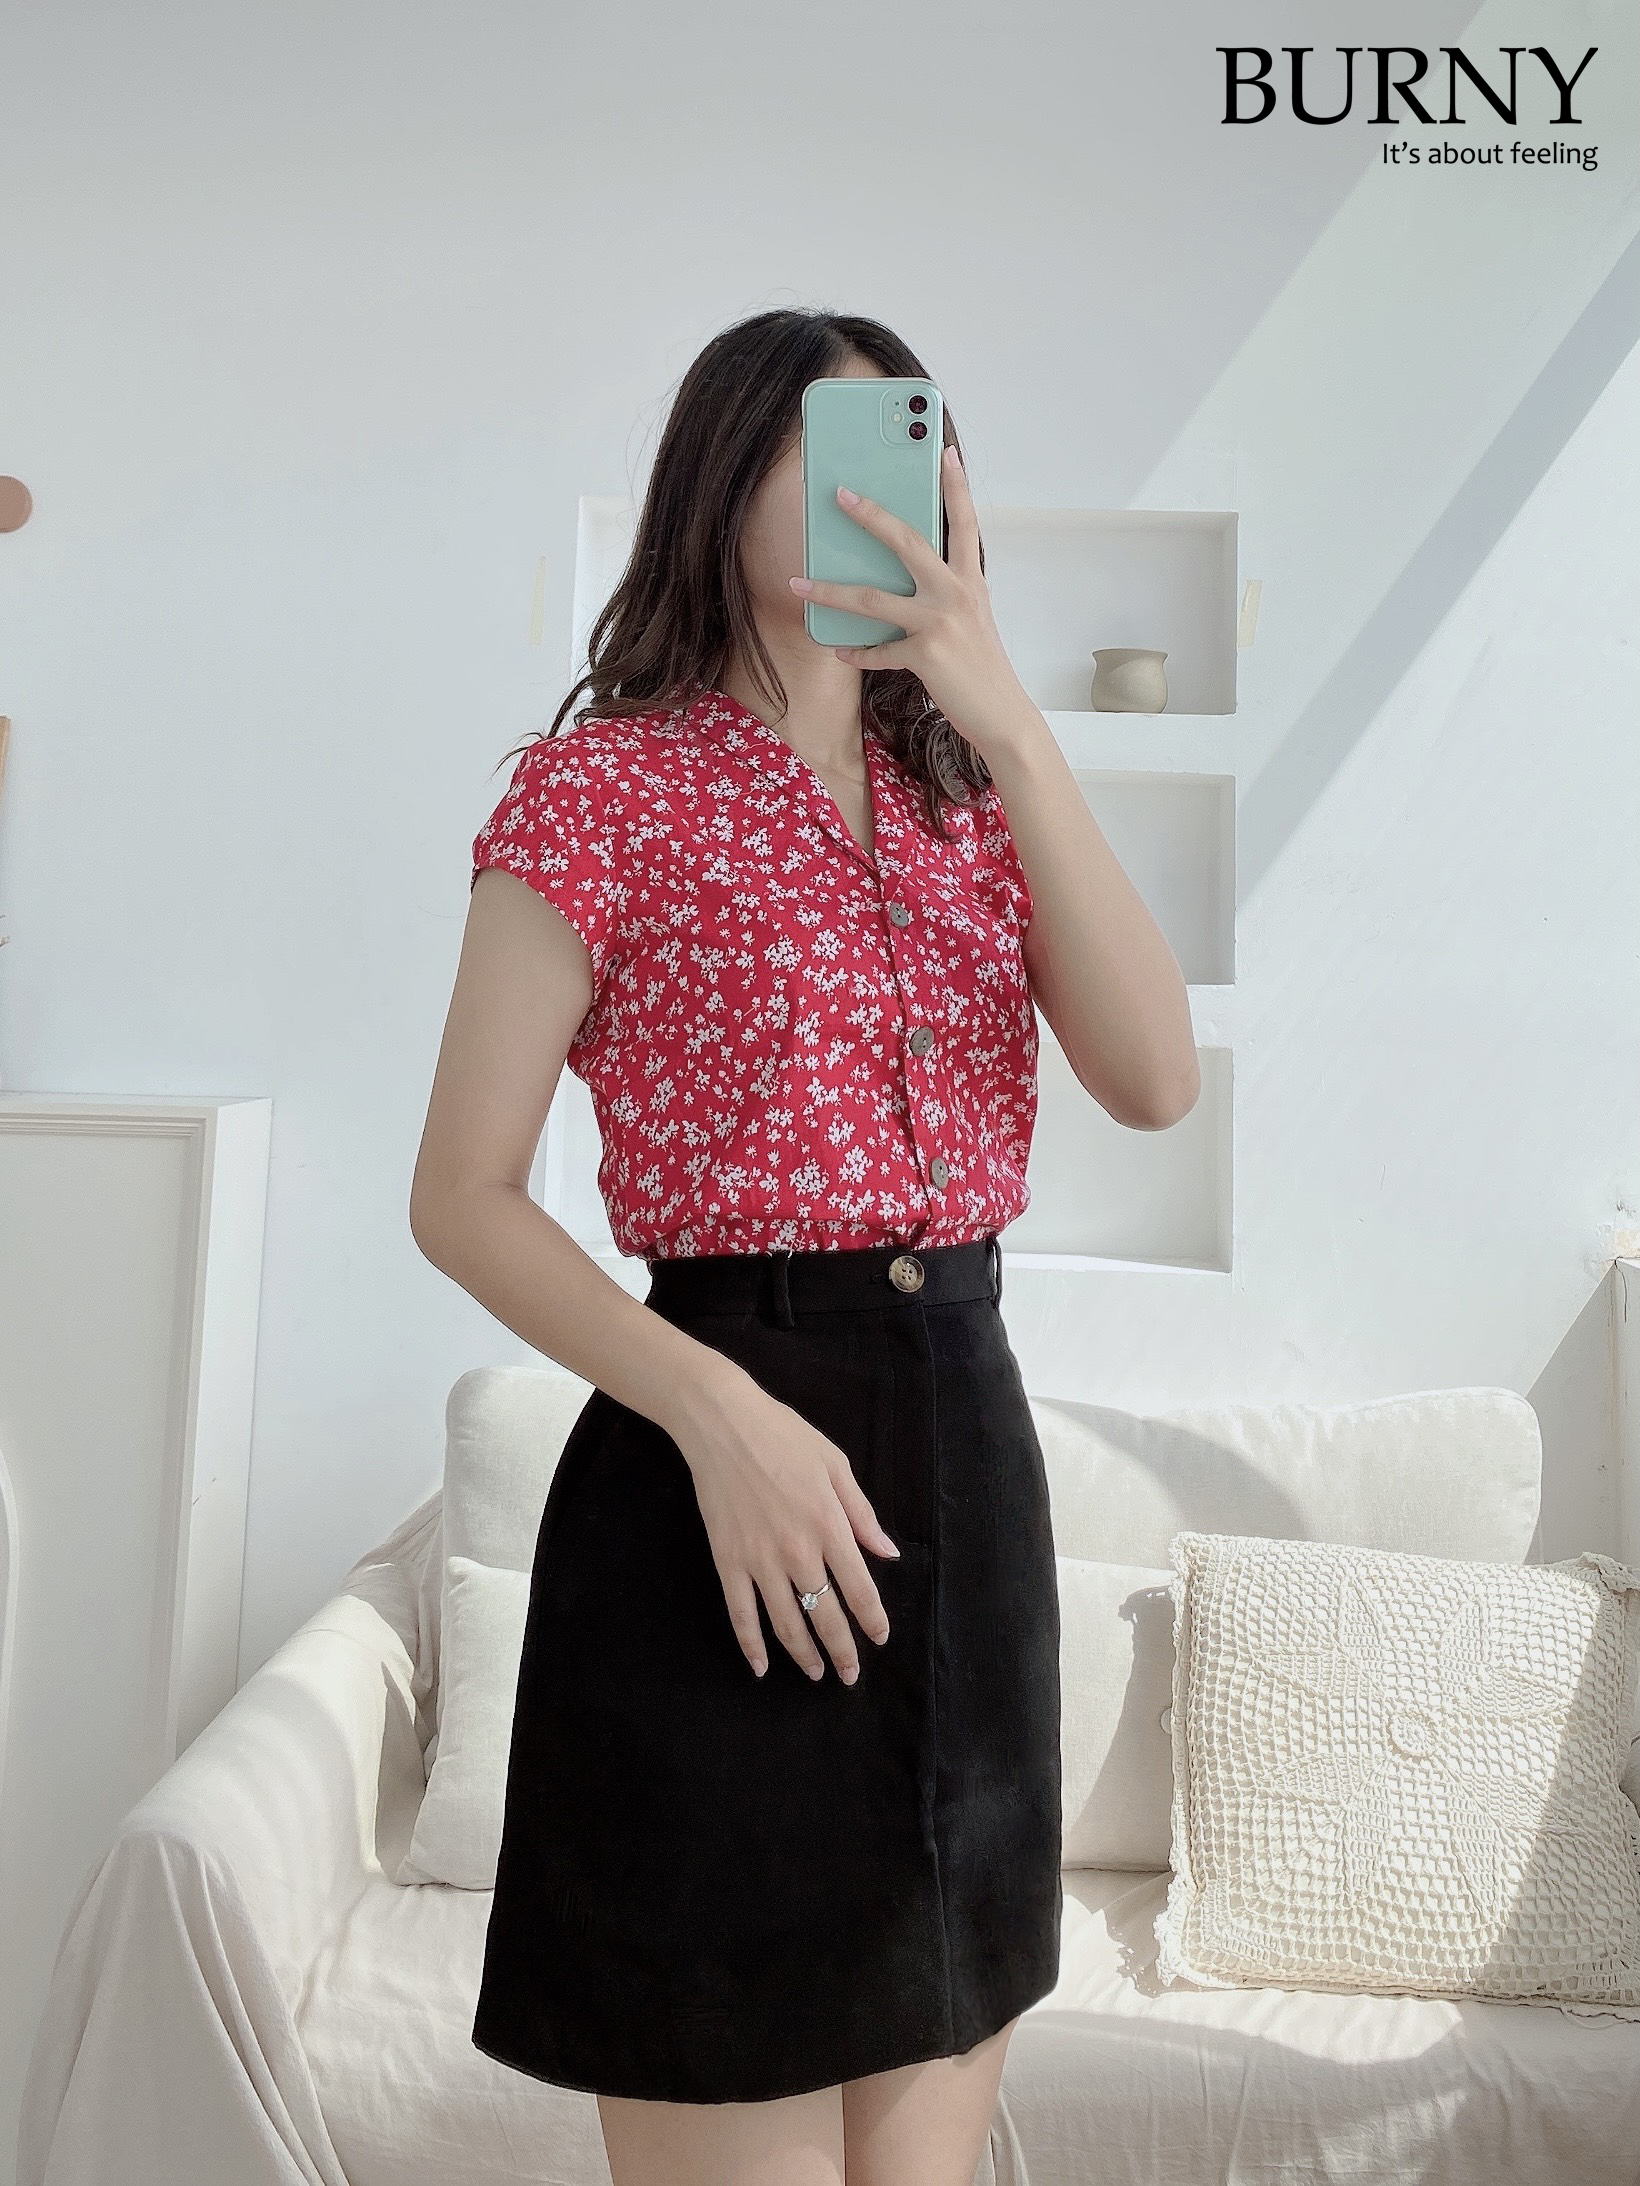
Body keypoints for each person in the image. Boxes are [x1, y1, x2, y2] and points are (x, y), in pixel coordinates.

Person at [409, 305, 1198, 2186]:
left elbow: (1157, 1077)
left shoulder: (971, 795)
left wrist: (1009, 716)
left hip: (962, 1488)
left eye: (913, 450)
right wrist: (717, 1413)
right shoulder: (600, 792)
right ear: (722, 475)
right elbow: (461, 1191)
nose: (883, 496)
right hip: (714, 1498)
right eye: (827, 454)